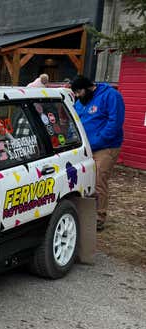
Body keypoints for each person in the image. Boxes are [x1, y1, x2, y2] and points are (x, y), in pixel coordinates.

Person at [70, 75, 125, 231]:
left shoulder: (111, 96)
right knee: (81, 179)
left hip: (106, 147)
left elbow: (115, 123)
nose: (77, 96)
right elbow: (75, 120)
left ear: (88, 88)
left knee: (98, 179)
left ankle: (99, 217)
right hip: (84, 147)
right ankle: (84, 213)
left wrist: (97, 141)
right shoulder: (81, 101)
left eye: (79, 92)